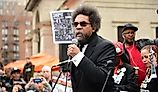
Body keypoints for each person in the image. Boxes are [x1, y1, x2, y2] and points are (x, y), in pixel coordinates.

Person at [67, 5, 116, 92]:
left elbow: (102, 79)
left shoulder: (106, 46)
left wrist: (78, 56)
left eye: (83, 24)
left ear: (93, 27)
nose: (78, 27)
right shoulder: (77, 46)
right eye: (75, 24)